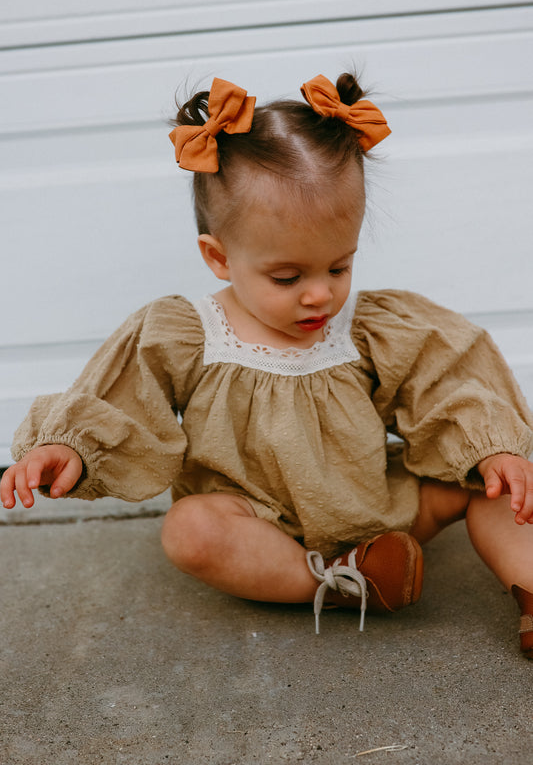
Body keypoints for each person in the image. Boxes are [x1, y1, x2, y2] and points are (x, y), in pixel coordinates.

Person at [2, 73, 533, 656]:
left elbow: (448, 374)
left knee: (498, 487)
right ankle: (339, 583)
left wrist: (490, 446)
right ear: (218, 257)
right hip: (259, 519)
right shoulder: (186, 333)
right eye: (288, 277)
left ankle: (530, 587)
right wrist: (69, 445)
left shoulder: (371, 326)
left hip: (382, 502)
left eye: (339, 267)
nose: (319, 296)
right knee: (190, 531)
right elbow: (121, 394)